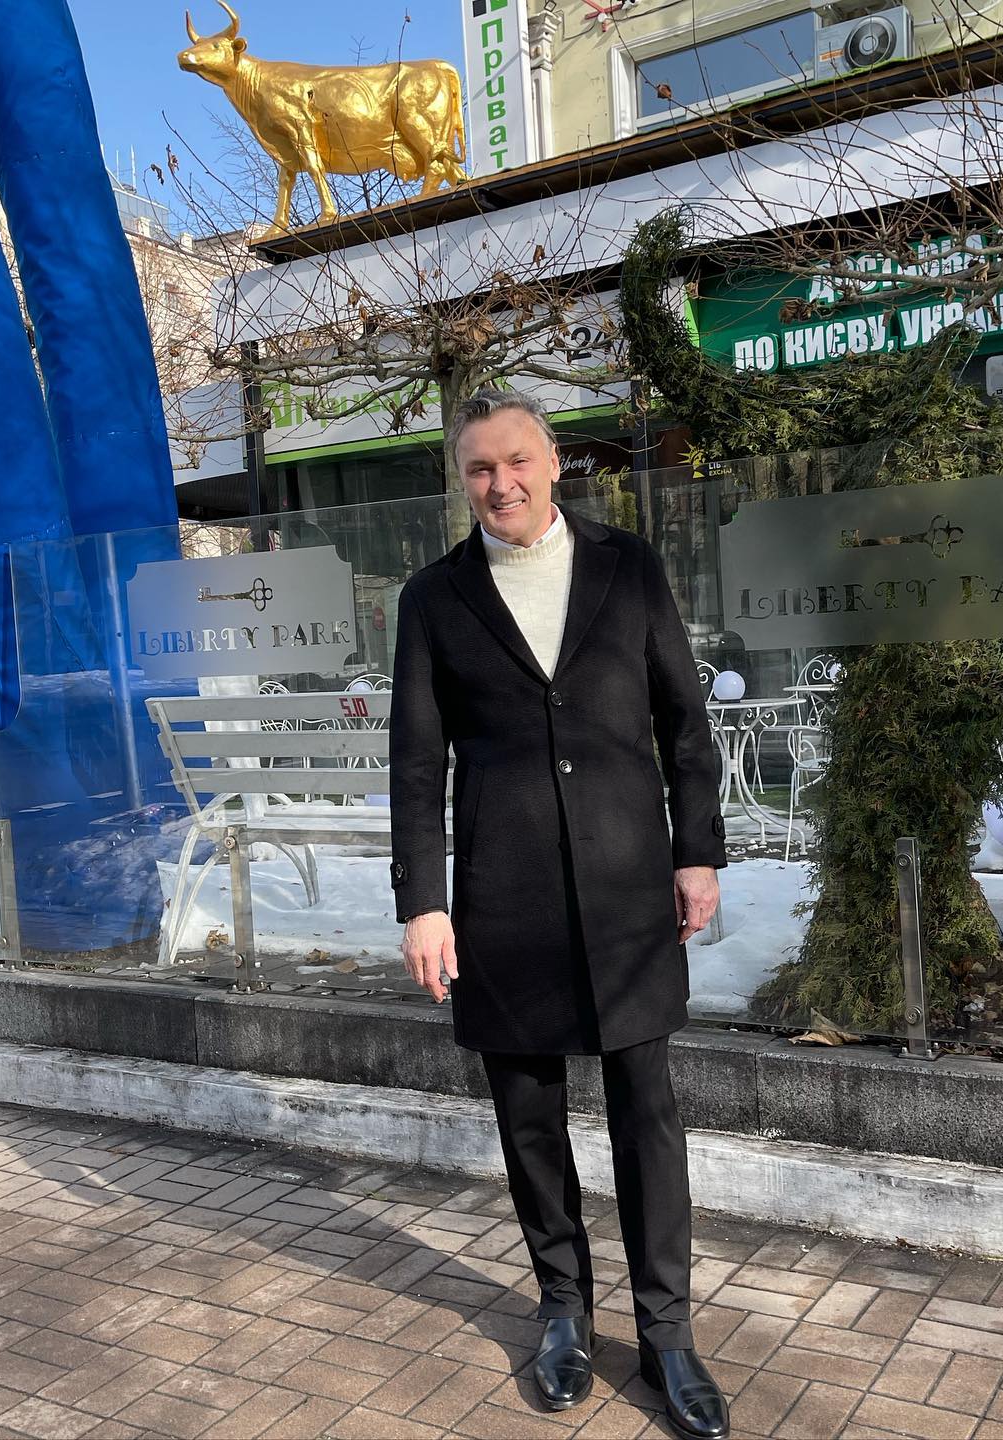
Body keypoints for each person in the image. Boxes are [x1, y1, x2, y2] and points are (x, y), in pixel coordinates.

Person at [389, 389, 730, 1440]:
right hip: (504, 897)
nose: (502, 484)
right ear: (464, 480)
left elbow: (684, 721)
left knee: (646, 1117)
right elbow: (416, 764)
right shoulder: (433, 597)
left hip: (629, 891)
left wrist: (697, 851)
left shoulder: (629, 567)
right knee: (530, 1121)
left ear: (553, 463)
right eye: (480, 468)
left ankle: (667, 1333)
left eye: (518, 461)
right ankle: (563, 1313)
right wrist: (424, 903)